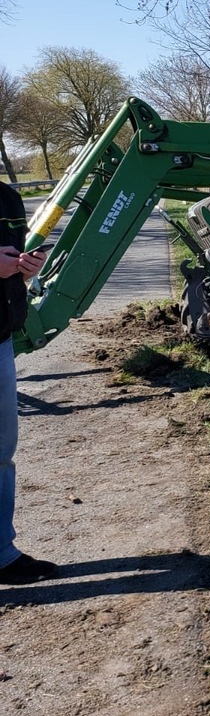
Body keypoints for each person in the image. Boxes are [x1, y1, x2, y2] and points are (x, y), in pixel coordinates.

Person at [0, 179, 52, 584]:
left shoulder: (8, 198)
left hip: (1, 334)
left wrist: (26, 271)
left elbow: (12, 265)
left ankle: (2, 553)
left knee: (2, 449)